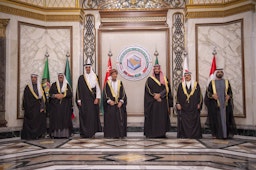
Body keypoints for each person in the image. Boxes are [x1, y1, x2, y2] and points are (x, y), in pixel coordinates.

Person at [144, 59, 173, 138]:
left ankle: (161, 133)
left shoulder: (164, 78)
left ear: (160, 69)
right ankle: (152, 133)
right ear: (154, 70)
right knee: (153, 118)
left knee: (161, 118)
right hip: (153, 103)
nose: (157, 70)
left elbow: (167, 89)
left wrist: (160, 95)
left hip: (162, 101)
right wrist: (155, 96)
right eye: (155, 69)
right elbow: (148, 89)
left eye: (158, 69)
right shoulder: (149, 79)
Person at [206, 68, 236, 139]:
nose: (219, 73)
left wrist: (229, 95)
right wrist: (212, 95)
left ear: (223, 74)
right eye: (218, 72)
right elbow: (208, 93)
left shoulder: (226, 82)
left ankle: (225, 134)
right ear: (216, 73)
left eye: (221, 72)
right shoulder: (212, 82)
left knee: (225, 119)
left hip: (225, 105)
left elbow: (230, 92)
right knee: (216, 119)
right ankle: (217, 134)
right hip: (215, 105)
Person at [76, 59, 102, 138]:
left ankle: (92, 132)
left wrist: (97, 98)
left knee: (92, 117)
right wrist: (78, 99)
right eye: (86, 67)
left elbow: (98, 88)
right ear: (85, 68)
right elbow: (78, 89)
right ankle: (84, 133)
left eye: (89, 67)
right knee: (84, 116)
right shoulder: (81, 78)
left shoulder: (95, 76)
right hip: (83, 101)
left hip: (92, 100)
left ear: (91, 68)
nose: (87, 69)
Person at [176, 71, 202, 139]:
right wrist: (178, 103)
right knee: (184, 121)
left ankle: (194, 135)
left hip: (193, 107)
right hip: (183, 107)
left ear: (191, 76)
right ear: (184, 77)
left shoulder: (196, 85)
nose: (187, 77)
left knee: (194, 121)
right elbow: (177, 96)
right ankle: (184, 135)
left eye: (188, 75)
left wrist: (199, 103)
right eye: (185, 75)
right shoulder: (181, 85)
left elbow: (200, 95)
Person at [21, 74, 46, 140]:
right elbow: (25, 99)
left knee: (40, 120)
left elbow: (43, 98)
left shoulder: (40, 87)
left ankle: (38, 135)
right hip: (30, 109)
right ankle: (31, 135)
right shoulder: (27, 87)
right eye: (32, 77)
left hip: (39, 108)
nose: (33, 79)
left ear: (37, 79)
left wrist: (42, 107)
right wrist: (29, 108)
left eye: (35, 77)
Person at [103, 69, 127, 138]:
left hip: (119, 104)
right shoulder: (107, 83)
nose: (114, 75)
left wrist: (121, 102)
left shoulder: (120, 82)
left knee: (120, 118)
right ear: (111, 75)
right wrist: (109, 101)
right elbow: (105, 93)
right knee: (111, 118)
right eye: (113, 74)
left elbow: (123, 93)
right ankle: (111, 134)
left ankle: (120, 134)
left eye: (115, 74)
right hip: (111, 104)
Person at [48, 73, 73, 138]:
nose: (60, 77)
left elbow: (70, 94)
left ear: (64, 77)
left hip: (65, 107)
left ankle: (65, 135)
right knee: (56, 121)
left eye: (62, 76)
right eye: (59, 76)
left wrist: (63, 95)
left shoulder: (67, 85)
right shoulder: (54, 85)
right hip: (55, 107)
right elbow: (50, 94)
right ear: (58, 77)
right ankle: (55, 135)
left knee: (64, 120)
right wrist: (55, 95)